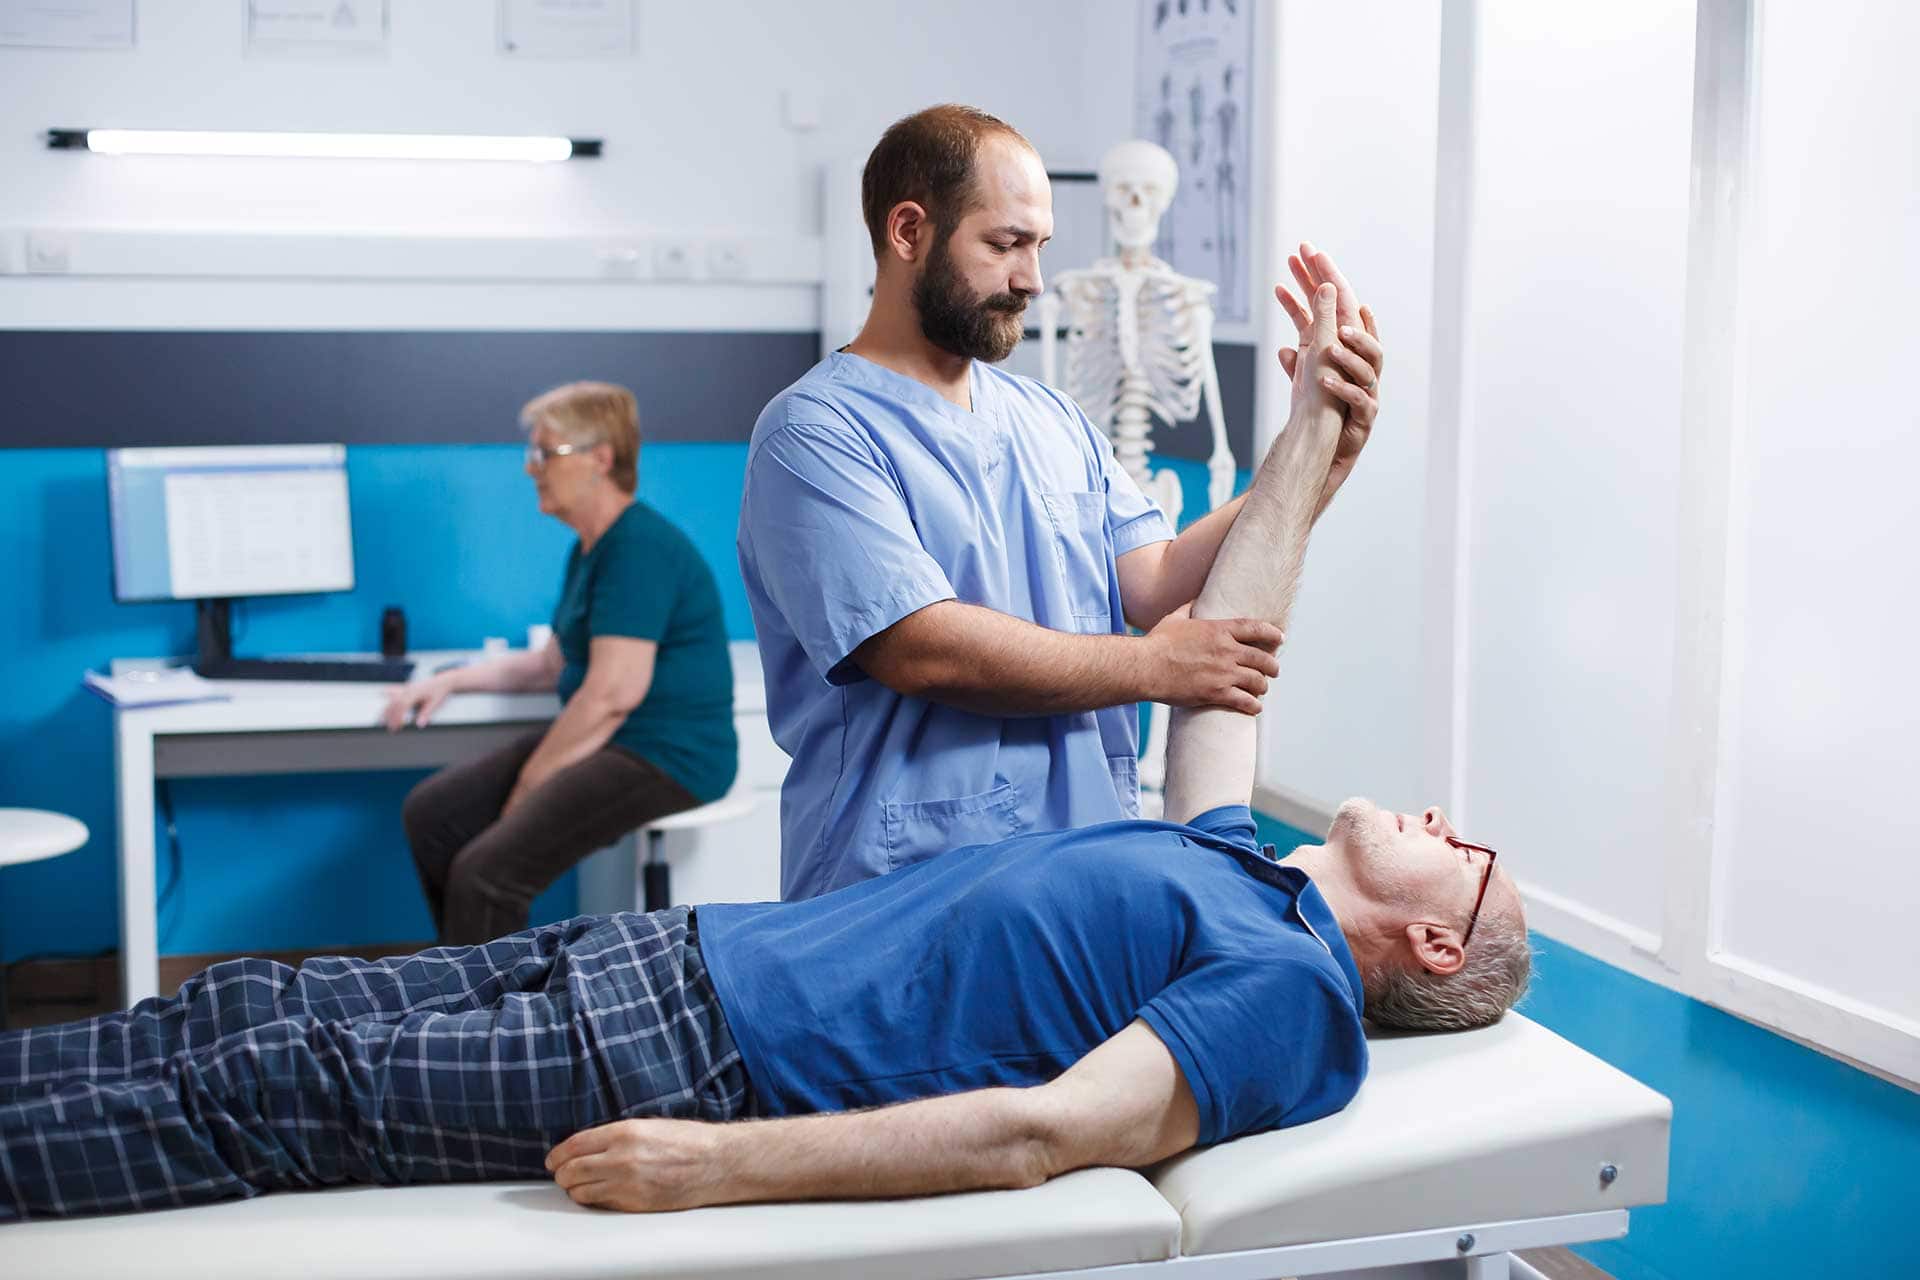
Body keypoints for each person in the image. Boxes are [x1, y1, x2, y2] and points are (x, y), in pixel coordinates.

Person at [0, 275, 1526, 1225]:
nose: (1451, 813)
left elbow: (1040, 1137)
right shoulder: (1242, 869)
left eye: (1470, 846)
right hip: (690, 957)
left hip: (713, 1064)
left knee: (273, 1090)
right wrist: (1314, 449)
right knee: (262, 1003)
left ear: (1436, 936)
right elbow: (1225, 677)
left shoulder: (1293, 1000)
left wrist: (706, 1167)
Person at [739, 104, 1381, 900]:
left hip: (1083, 869)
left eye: (1039, 248)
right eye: (1004, 245)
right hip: (904, 889)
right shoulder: (816, 433)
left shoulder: (1050, 420)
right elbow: (921, 648)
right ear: (909, 232)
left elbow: (1157, 577)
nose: (1031, 280)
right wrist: (1154, 668)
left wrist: (1314, 462)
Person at [383, 382, 737, 945]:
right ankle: (458, 990)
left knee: (488, 875)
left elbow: (612, 694)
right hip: (615, 739)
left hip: (666, 755)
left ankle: (494, 1029)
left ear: (600, 460)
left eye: (545, 453)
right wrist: (450, 680)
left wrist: (531, 782)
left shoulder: (639, 548)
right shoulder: (591, 549)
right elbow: (549, 665)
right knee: (432, 815)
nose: (531, 469)